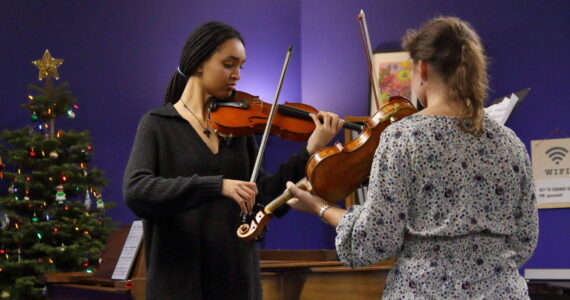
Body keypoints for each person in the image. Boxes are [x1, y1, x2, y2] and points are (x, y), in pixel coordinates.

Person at [286, 16, 538, 299]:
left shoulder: (402, 138)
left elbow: (375, 242)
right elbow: (524, 240)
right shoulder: (509, 142)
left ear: (423, 69)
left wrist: (321, 207)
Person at [123, 21, 344, 300]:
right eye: (229, 64)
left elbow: (262, 196)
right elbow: (136, 191)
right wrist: (217, 186)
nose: (237, 75)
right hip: (180, 284)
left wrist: (309, 150)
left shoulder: (237, 131)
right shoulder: (157, 125)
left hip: (237, 282)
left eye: (241, 66)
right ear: (200, 62)